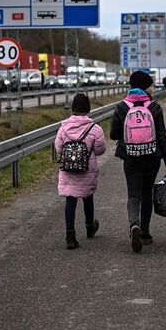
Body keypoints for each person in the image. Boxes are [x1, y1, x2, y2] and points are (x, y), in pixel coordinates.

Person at [111, 70, 166, 253]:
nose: (153, 88)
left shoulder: (122, 106)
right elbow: (162, 137)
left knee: (133, 194)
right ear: (145, 87)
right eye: (151, 85)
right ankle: (145, 233)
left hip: (130, 157)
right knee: (147, 192)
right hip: (152, 156)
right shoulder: (154, 107)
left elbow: (114, 134)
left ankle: (134, 225)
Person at [53, 93, 108, 250]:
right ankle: (90, 227)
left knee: (70, 199)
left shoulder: (64, 128)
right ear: (88, 108)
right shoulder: (95, 129)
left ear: (73, 108)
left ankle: (70, 235)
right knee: (88, 196)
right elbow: (100, 150)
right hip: (87, 169)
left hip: (68, 169)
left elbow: (58, 148)